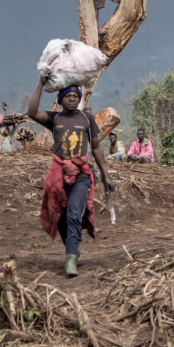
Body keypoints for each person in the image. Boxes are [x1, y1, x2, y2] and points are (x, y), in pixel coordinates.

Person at [25, 77, 114, 277]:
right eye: (69, 96)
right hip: (59, 174)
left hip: (82, 174)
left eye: (76, 96)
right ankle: (71, 249)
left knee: (74, 213)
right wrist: (40, 83)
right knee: (60, 217)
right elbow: (31, 113)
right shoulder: (54, 119)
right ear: (61, 99)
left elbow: (97, 148)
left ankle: (71, 258)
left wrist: (105, 175)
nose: (72, 99)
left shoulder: (86, 119)